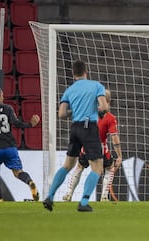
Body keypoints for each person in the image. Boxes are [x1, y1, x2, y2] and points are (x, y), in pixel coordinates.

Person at [42, 60, 108, 212]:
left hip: (75, 128)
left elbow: (62, 114)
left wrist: (76, 111)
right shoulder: (96, 86)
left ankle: (50, 196)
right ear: (86, 71)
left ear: (73, 74)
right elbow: (104, 106)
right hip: (88, 126)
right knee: (97, 167)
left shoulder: (69, 90)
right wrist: (95, 110)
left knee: (68, 164)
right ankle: (84, 202)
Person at [63, 89, 122, 202]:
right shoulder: (110, 118)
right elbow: (114, 137)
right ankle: (104, 196)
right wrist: (119, 155)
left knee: (79, 167)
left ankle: (69, 194)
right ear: (108, 101)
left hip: (86, 146)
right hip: (100, 147)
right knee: (110, 168)